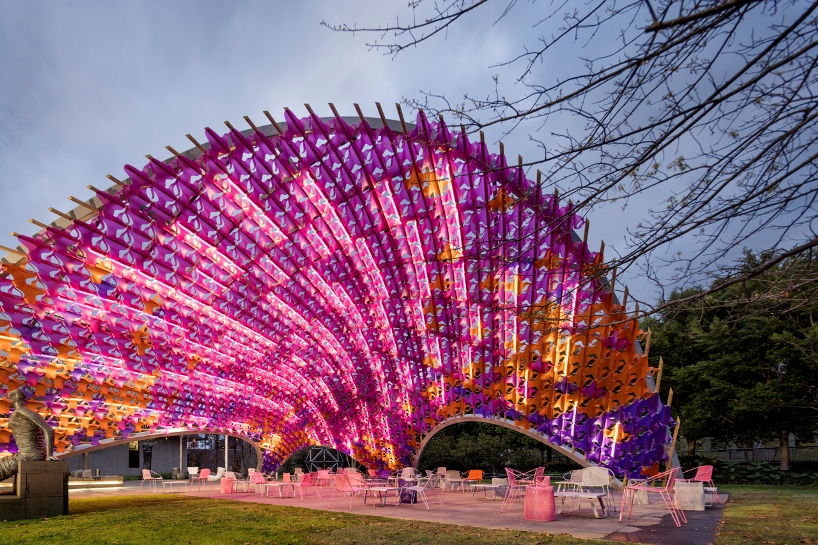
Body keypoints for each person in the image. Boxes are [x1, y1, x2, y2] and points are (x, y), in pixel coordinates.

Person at [0, 389, 56, 481]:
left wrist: (49, 455)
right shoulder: (19, 414)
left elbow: (49, 430)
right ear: (25, 401)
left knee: (2, 468)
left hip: (32, 455)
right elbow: (48, 430)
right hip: (25, 454)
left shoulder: (21, 413)